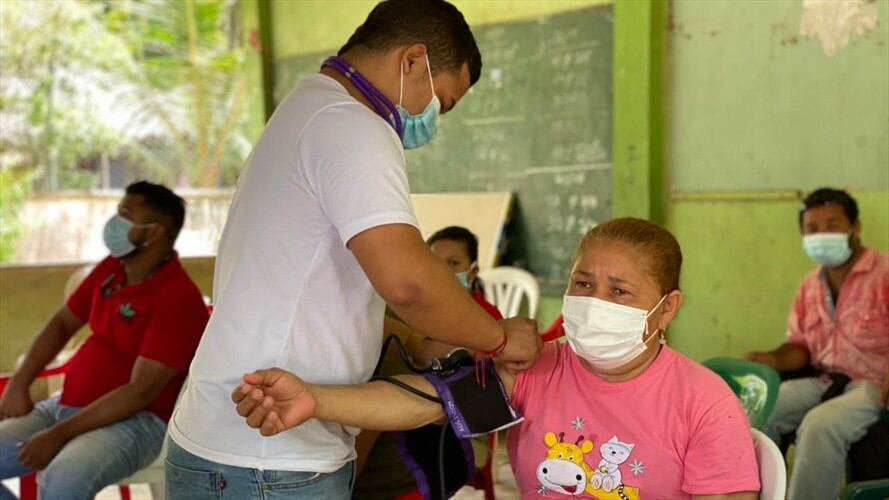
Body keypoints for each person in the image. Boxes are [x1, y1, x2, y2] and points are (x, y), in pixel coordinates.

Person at [166, 1, 540, 498]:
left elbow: (305, 289)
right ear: (412, 61)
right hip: (269, 461)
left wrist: (405, 338)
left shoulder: (307, 107)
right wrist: (496, 338)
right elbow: (406, 281)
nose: (432, 120)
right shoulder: (355, 126)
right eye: (440, 103)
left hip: (223, 441)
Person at [234, 218, 762, 500]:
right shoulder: (538, 368)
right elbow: (426, 403)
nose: (595, 301)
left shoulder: (702, 403)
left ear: (667, 308)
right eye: (583, 283)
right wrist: (316, 399)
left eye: (620, 292)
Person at [0, 182, 208, 500]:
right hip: (63, 408)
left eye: (126, 214)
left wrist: (57, 436)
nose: (115, 223)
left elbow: (139, 393)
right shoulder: (112, 270)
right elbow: (61, 324)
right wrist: (19, 383)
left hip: (134, 423)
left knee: (63, 479)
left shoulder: (177, 299)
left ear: (155, 233)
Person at [746, 188, 889, 499]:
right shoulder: (810, 285)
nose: (822, 234)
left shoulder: (884, 273)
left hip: (873, 386)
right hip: (824, 380)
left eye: (833, 224)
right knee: (761, 409)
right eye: (812, 228)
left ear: (856, 227)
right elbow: (800, 347)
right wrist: (771, 359)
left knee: (820, 425)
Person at [354, 226, 503, 499]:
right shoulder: (398, 317)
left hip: (434, 455)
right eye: (435, 262)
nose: (444, 272)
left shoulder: (486, 324)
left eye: (454, 263)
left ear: (472, 272)